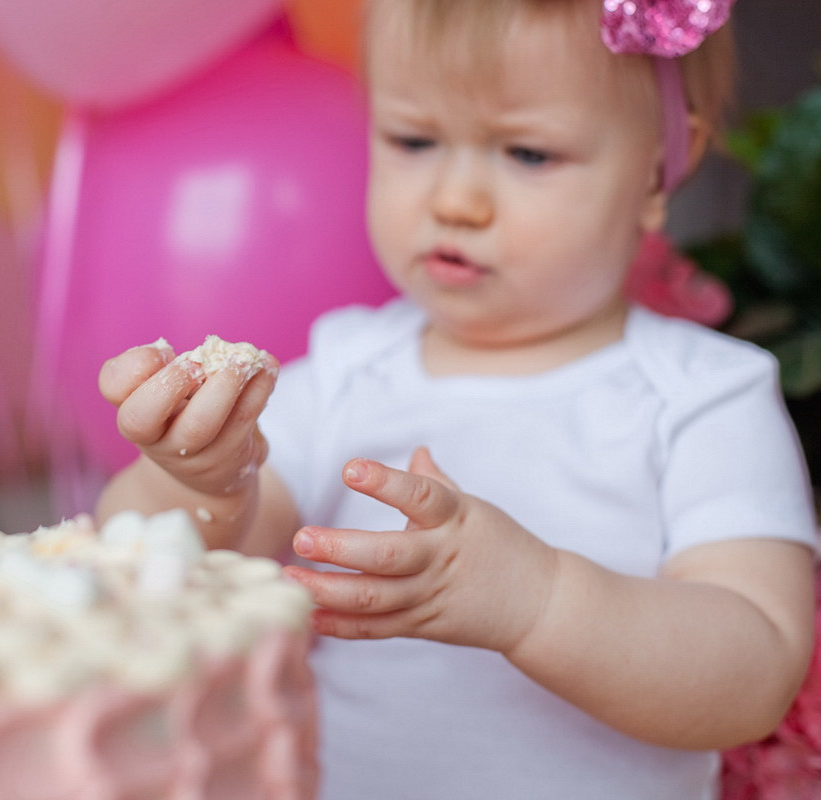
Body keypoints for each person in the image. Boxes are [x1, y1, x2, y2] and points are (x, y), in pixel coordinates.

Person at [94, 1, 819, 797]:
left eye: (529, 153)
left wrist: (536, 602)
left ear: (655, 171)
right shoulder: (345, 372)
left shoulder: (703, 399)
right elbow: (151, 565)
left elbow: (754, 675)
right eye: (413, 140)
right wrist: (194, 482)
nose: (455, 201)